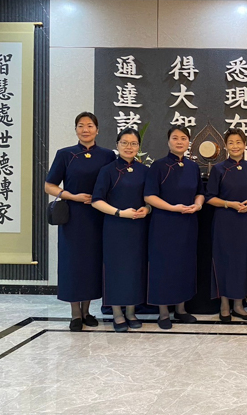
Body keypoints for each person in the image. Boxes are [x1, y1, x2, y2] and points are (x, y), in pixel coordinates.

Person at [44, 112, 116, 331]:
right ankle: (75, 314)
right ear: (76, 129)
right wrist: (72, 196)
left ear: (97, 129)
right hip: (73, 218)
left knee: (92, 264)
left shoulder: (108, 156)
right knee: (73, 264)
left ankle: (87, 311)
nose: (86, 129)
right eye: (81, 126)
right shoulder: (65, 154)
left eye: (90, 125)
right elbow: (49, 185)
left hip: (98, 218)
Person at [144, 125, 205, 329]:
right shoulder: (158, 166)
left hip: (187, 223)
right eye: (175, 138)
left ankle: (181, 310)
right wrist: (172, 208)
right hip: (164, 224)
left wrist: (198, 205)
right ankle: (163, 313)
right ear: (168, 141)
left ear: (189, 143)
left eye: (183, 138)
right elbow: (149, 196)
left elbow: (200, 192)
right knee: (164, 267)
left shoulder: (193, 167)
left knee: (184, 265)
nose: (180, 142)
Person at [91, 128, 150, 332]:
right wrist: (119, 213)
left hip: (138, 228)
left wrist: (147, 209)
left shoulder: (144, 170)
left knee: (135, 269)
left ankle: (131, 312)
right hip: (115, 227)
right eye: (124, 143)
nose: (129, 147)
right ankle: (117, 313)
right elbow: (96, 201)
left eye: (133, 143)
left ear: (138, 147)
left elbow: (150, 198)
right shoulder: (107, 170)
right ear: (117, 145)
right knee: (116, 270)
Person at [206, 129, 247, 322]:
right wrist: (229, 204)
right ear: (226, 145)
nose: (235, 146)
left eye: (239, 142)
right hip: (225, 221)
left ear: (245, 144)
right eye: (231, 142)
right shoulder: (219, 169)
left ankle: (239, 305)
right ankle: (224, 305)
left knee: (243, 262)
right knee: (225, 261)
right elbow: (209, 198)